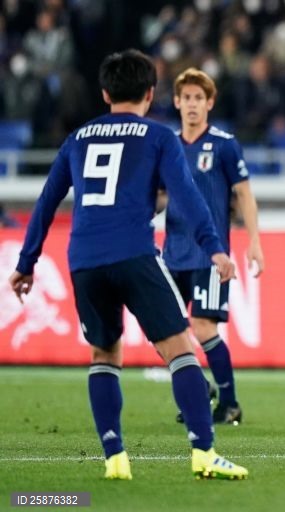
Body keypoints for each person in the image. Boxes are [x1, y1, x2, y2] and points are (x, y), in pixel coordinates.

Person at [7, 50, 249, 480]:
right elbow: (188, 197)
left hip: (83, 259)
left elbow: (46, 203)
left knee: (104, 355)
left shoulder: (77, 138)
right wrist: (213, 246)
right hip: (134, 253)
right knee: (180, 348)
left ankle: (115, 458)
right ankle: (204, 453)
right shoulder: (159, 137)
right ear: (151, 93)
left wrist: (26, 262)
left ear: (105, 93)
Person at [161, 67, 265, 425]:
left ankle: (230, 402)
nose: (192, 105)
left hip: (210, 254)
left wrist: (254, 242)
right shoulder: (167, 145)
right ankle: (200, 387)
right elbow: (159, 199)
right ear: (176, 102)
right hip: (171, 252)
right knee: (163, 330)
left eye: (198, 98)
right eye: (186, 98)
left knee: (203, 327)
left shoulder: (223, 144)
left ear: (209, 102)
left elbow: (245, 195)